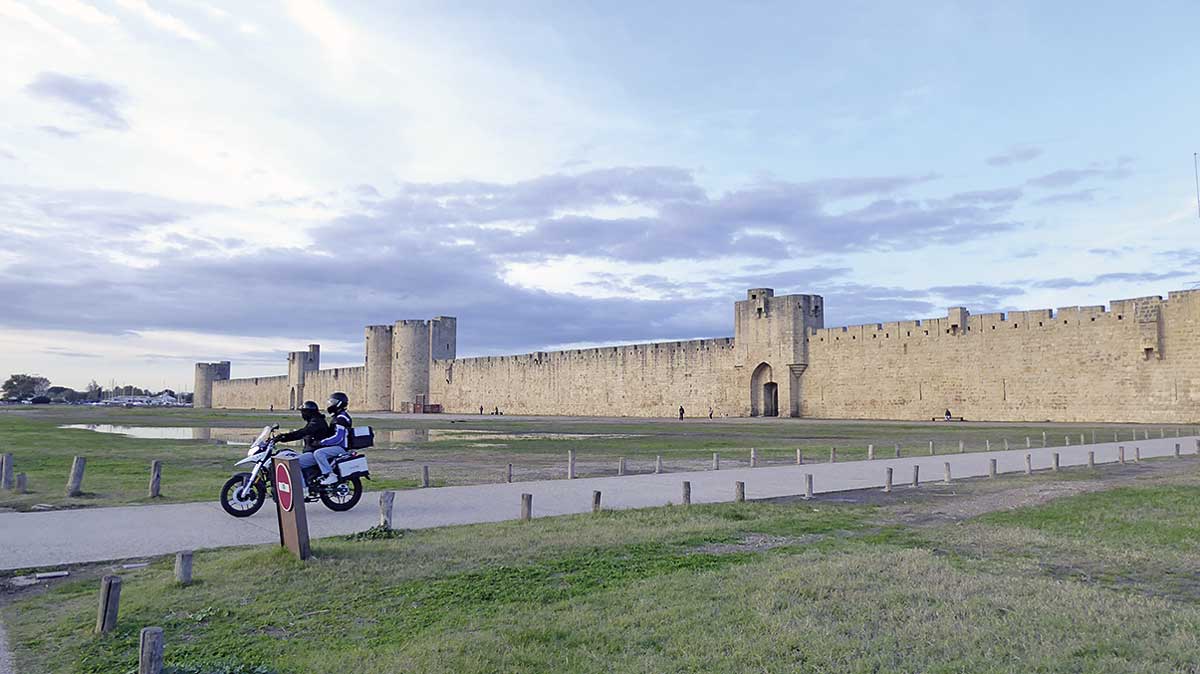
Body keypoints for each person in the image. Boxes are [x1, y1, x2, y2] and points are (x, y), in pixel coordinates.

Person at [274, 401, 331, 478]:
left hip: (315, 453)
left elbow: (303, 432)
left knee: (294, 464)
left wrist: (284, 436)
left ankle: (302, 488)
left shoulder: (316, 422)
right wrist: (283, 438)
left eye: (303, 412)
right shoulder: (314, 420)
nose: (302, 414)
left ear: (309, 412)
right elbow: (300, 435)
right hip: (311, 452)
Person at [309, 391, 353, 485]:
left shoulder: (341, 418)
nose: (330, 404)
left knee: (319, 453)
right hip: (337, 446)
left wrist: (322, 442)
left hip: (341, 447)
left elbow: (338, 437)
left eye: (333, 402)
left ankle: (330, 475)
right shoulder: (339, 416)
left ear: (339, 403)